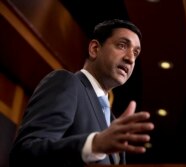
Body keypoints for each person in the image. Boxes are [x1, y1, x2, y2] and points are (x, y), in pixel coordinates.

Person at [9, 19, 154, 166]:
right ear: (94, 49)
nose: (130, 58)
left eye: (136, 53)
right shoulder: (66, 83)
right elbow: (25, 153)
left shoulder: (114, 122)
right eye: (122, 45)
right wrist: (94, 145)